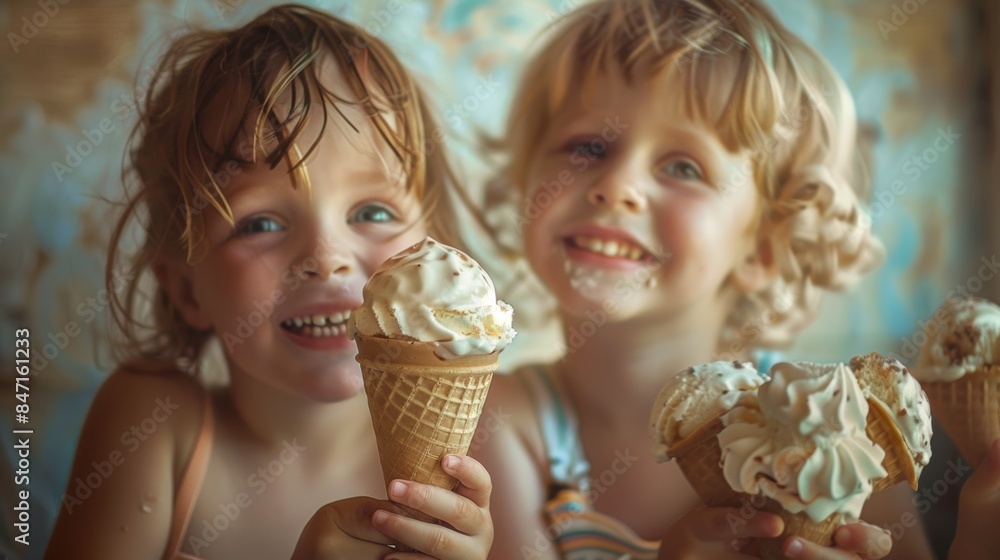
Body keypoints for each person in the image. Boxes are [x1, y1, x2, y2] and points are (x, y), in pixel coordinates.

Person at [472, 0, 941, 558]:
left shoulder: (844, 433)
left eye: (683, 167)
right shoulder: (505, 423)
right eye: (589, 147)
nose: (617, 185)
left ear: (765, 244)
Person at [43, 5, 492, 559]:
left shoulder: (474, 456)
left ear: (439, 256)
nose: (326, 258)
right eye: (260, 223)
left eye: (373, 212)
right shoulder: (155, 425)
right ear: (186, 290)